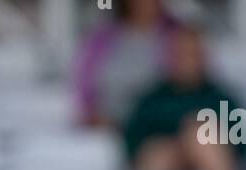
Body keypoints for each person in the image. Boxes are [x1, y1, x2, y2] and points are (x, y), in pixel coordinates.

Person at [123, 24, 246, 170]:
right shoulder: (151, 99)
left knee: (200, 134)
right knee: (161, 150)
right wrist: (178, 146)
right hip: (166, 163)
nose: (187, 60)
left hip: (213, 165)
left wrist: (195, 142)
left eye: (193, 53)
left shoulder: (222, 98)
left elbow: (244, 145)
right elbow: (133, 143)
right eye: (181, 53)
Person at [73, 0, 179, 128]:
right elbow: (83, 81)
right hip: (105, 124)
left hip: (155, 125)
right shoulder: (102, 36)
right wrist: (89, 112)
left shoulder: (176, 34)